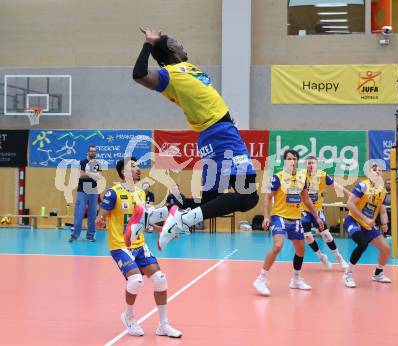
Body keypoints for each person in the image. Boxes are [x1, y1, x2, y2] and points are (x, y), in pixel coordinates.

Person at [129, 27, 259, 250]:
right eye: (176, 41)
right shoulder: (169, 73)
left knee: (209, 202)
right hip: (221, 134)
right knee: (248, 197)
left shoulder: (186, 68)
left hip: (212, 136)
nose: (181, 44)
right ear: (170, 49)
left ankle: (151, 216)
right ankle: (181, 221)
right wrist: (150, 44)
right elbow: (139, 74)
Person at [96, 157, 181, 338]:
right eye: (132, 166)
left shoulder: (141, 194)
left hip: (139, 244)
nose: (137, 169)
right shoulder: (113, 193)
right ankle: (128, 316)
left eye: (137, 166)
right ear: (123, 172)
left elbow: (144, 223)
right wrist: (100, 220)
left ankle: (163, 325)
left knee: (160, 279)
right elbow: (100, 217)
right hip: (120, 245)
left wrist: (164, 230)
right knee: (136, 280)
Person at [253, 150, 324, 296]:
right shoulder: (277, 178)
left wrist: (316, 217)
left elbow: (306, 200)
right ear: (285, 161)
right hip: (279, 216)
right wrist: (266, 217)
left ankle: (296, 279)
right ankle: (260, 279)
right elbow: (267, 198)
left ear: (297, 161)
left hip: (295, 218)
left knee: (300, 249)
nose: (292, 161)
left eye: (294, 159)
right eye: (289, 159)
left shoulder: (301, 178)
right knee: (278, 245)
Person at [342, 163, 391, 288]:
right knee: (362, 243)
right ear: (370, 173)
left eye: (380, 170)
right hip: (353, 220)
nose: (378, 172)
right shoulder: (363, 186)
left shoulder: (383, 191)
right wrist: (365, 218)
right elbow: (349, 204)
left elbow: (383, 210)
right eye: (375, 170)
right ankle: (347, 273)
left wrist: (385, 223)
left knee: (386, 249)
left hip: (367, 225)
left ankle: (378, 273)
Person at [300, 156, 348, 270]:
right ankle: (321, 256)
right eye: (308, 163)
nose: (311, 165)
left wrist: (349, 194)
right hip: (303, 209)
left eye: (313, 163)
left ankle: (339, 257)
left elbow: (336, 185)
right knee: (307, 237)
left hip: (317, 209)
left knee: (326, 234)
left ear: (317, 165)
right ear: (305, 165)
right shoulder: (300, 176)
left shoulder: (322, 175)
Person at [69, 145, 101, 242]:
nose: (93, 153)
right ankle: (74, 236)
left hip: (93, 190)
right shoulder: (83, 162)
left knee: (92, 215)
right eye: (91, 151)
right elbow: (81, 176)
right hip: (83, 190)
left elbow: (99, 176)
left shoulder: (96, 163)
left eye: (94, 151)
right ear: (88, 152)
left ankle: (90, 236)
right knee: (79, 214)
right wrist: (93, 174)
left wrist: (90, 174)